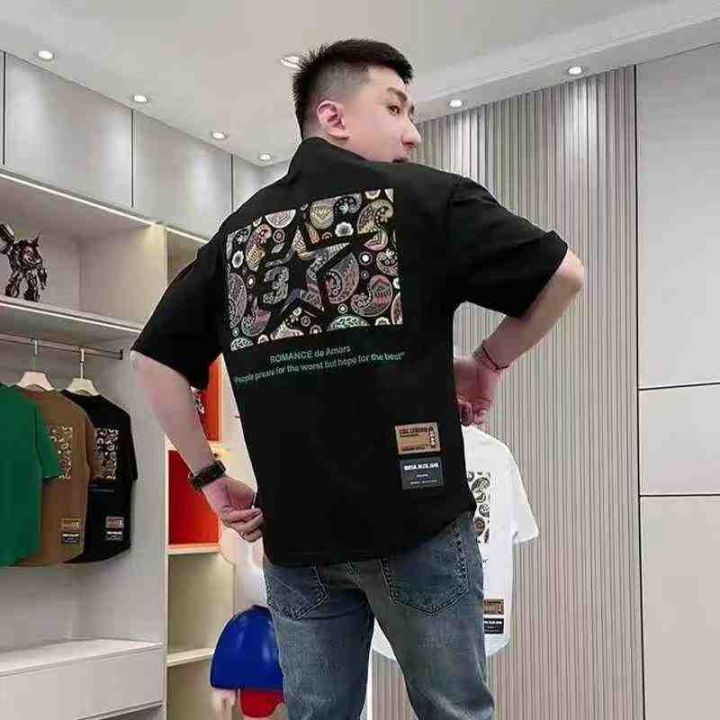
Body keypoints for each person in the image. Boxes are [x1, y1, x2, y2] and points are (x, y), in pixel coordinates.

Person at [130, 38, 584, 720]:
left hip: (297, 541)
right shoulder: (426, 198)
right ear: (334, 117)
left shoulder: (236, 237)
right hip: (419, 525)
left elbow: (153, 362)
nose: (413, 132)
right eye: (396, 108)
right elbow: (565, 274)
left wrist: (210, 478)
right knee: (455, 712)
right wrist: (488, 363)